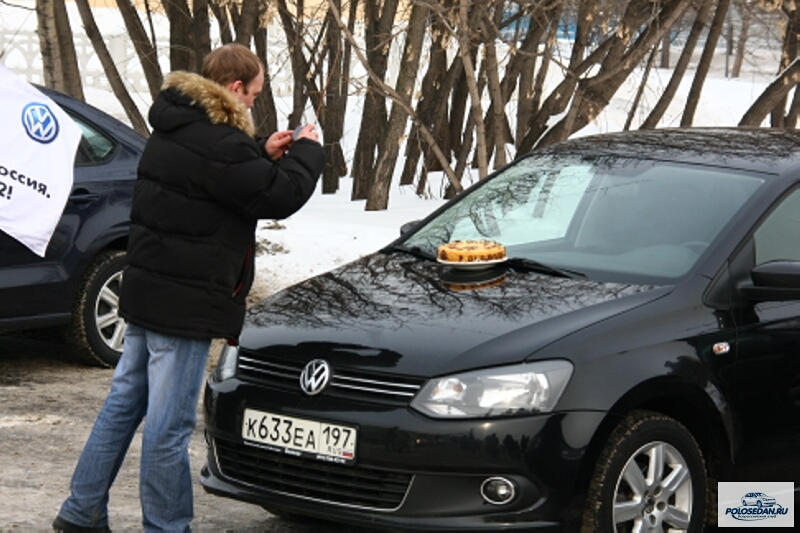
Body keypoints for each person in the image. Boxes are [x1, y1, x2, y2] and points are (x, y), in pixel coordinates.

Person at [52, 43, 324, 533]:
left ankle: (81, 509)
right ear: (234, 88)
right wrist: (308, 150)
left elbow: (217, 179)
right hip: (185, 302)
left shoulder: (175, 128)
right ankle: (167, 526)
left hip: (149, 290)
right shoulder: (222, 144)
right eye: (253, 96)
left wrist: (261, 152)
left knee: (123, 405)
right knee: (169, 428)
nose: (253, 106)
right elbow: (277, 195)